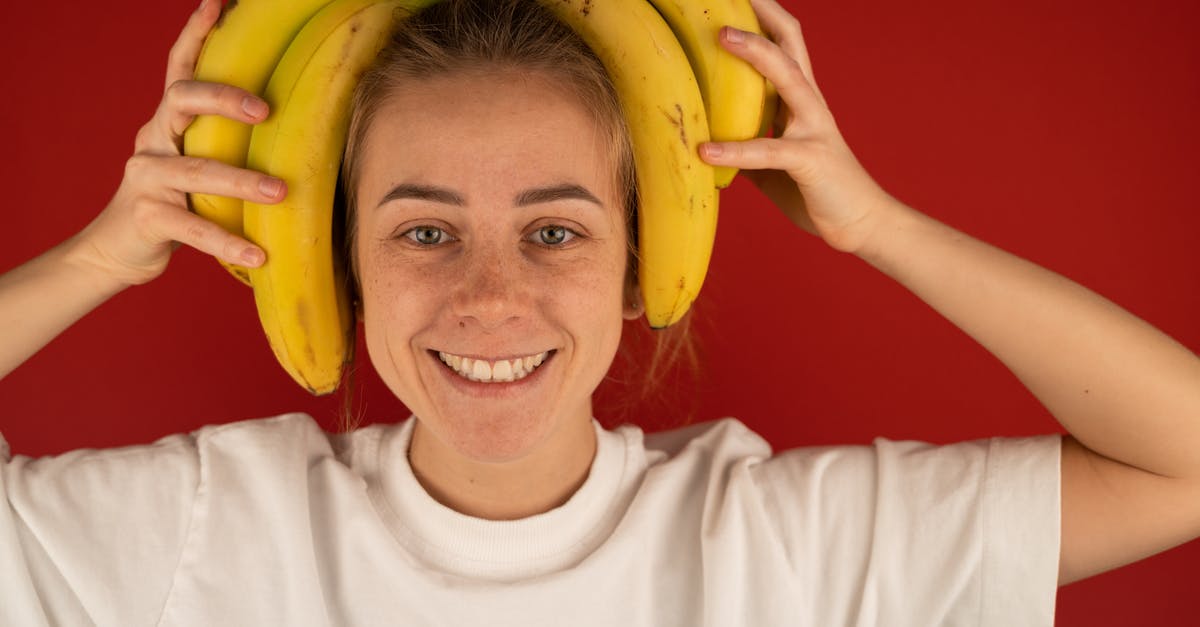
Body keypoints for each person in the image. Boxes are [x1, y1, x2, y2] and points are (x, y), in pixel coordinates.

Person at [1, 0, 1197, 624]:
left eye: (556, 229)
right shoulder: (207, 523)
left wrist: (877, 226)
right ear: (342, 265)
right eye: (423, 230)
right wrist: (99, 260)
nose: (490, 295)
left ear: (640, 265)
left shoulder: (792, 546)